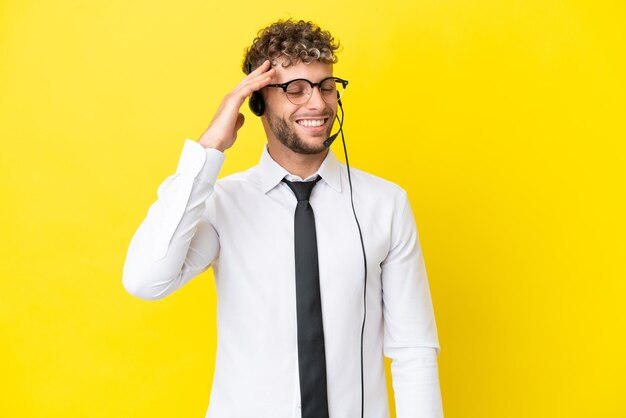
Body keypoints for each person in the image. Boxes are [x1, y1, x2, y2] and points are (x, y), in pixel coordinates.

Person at [122, 19, 443, 418]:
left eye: (326, 86)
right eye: (295, 89)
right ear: (259, 102)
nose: (317, 103)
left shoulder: (385, 204)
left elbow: (414, 350)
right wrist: (207, 152)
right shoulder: (222, 203)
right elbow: (144, 279)